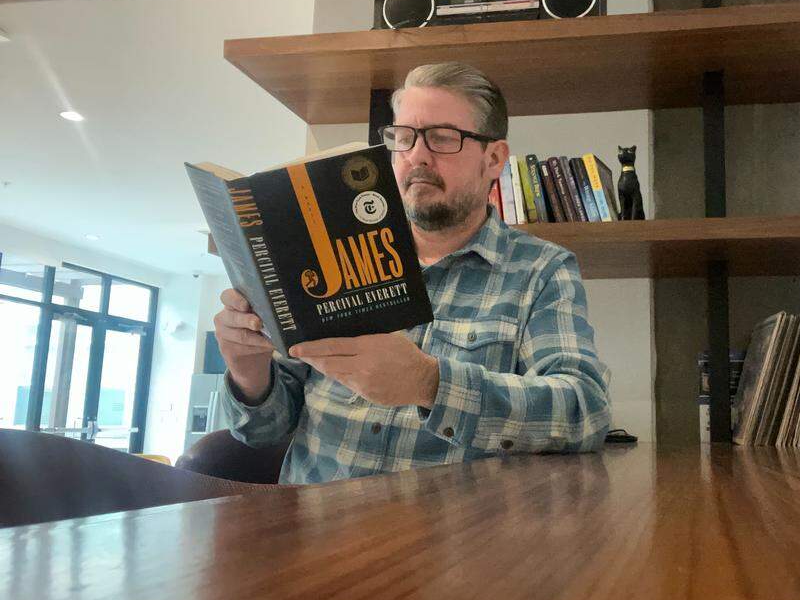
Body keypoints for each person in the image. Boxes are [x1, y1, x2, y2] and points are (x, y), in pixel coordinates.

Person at [214, 62, 612, 483]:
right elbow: (261, 432)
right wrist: (248, 371)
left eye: (442, 138)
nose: (416, 155)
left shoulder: (540, 270)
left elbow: (584, 411)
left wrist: (429, 384)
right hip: (314, 530)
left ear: (494, 159)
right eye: (404, 138)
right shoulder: (327, 257)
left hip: (450, 539)